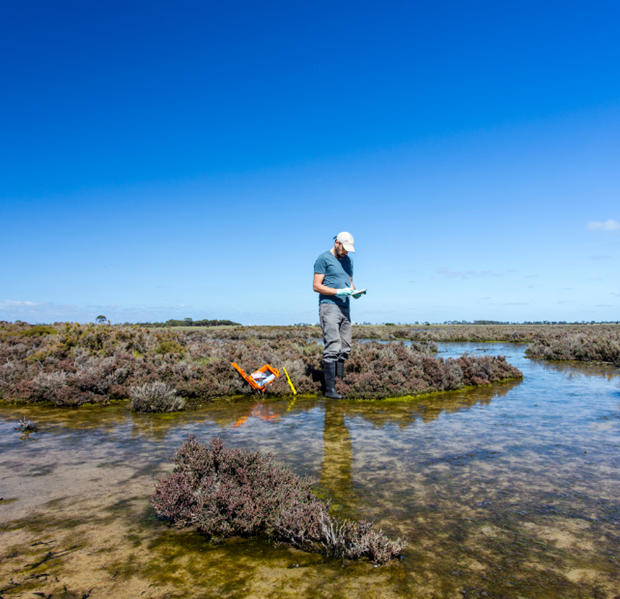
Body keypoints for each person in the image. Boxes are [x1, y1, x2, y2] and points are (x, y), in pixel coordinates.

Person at [313, 232, 364, 399]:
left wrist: (354, 292)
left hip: (345, 307)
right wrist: (338, 291)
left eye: (349, 250)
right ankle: (329, 390)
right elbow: (316, 286)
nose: (346, 252)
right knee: (333, 345)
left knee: (345, 346)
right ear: (337, 243)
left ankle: (339, 384)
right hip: (329, 306)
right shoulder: (323, 258)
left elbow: (349, 283)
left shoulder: (349, 261)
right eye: (344, 248)